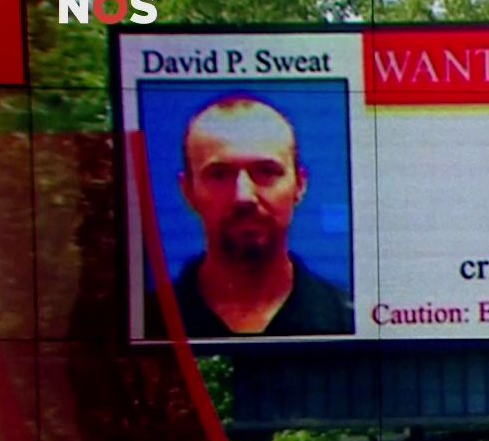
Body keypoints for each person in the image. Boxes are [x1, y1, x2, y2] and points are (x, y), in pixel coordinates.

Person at [146, 94, 353, 338]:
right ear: (188, 190)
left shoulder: (350, 322)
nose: (243, 196)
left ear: (300, 185)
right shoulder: (149, 324)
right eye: (220, 174)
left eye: (266, 171)